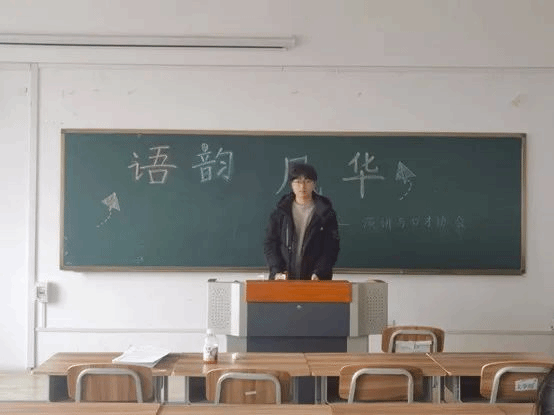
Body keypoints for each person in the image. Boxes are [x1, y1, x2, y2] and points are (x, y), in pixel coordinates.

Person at [264, 162, 340, 280]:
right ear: (291, 184)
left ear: (314, 184)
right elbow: (270, 243)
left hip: (315, 279)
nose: (302, 186)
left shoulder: (325, 213)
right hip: (283, 279)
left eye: (307, 181)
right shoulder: (281, 212)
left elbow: (331, 247)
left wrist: (319, 272)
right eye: (298, 182)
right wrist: (277, 270)